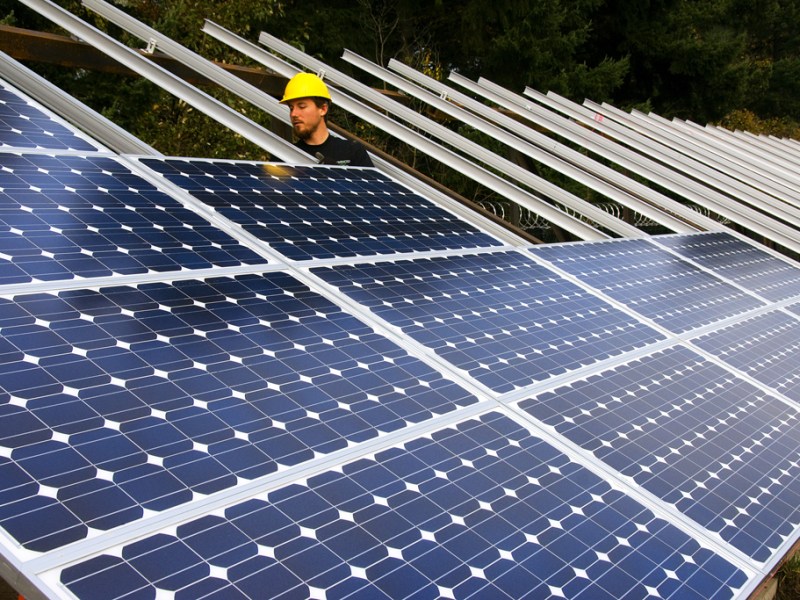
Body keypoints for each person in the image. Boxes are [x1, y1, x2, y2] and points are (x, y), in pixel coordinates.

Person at [280, 72, 373, 167]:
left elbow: (373, 182)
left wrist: (338, 174)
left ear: (323, 109)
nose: (294, 114)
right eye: (291, 108)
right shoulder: (285, 158)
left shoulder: (353, 152)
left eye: (302, 106)